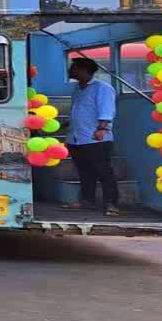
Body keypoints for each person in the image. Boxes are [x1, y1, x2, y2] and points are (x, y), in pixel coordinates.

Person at [64, 57, 121, 216]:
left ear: (84, 70)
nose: (70, 71)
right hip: (77, 138)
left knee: (103, 172)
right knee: (84, 172)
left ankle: (111, 204)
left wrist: (101, 129)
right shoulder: (77, 89)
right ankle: (86, 200)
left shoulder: (102, 88)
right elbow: (79, 111)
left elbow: (107, 110)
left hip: (95, 137)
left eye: (74, 68)